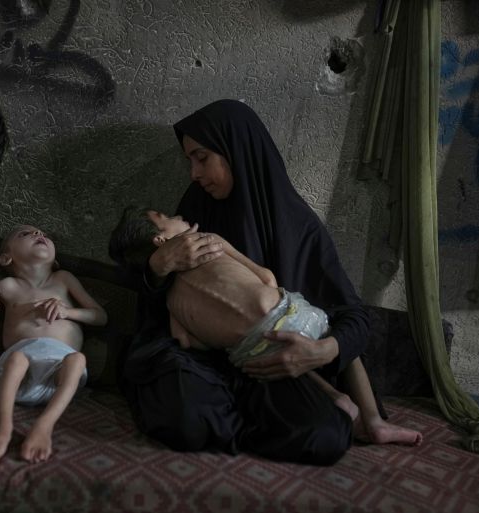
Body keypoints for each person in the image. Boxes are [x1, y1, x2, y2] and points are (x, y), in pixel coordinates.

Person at [114, 99, 415, 466]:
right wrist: (157, 267)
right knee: (186, 415)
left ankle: (236, 426)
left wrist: (325, 351)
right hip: (206, 359)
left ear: (236, 151)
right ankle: (237, 425)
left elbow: (351, 314)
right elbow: (152, 290)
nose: (193, 173)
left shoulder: (299, 227)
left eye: (202, 158)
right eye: (190, 161)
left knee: (325, 434)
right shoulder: (195, 209)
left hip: (270, 362)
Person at [110, 206, 423, 444]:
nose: (179, 214)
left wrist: (222, 335)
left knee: (286, 359)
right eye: (167, 217)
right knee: (338, 330)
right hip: (290, 314)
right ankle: (373, 418)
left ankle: (336, 398)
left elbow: (188, 341)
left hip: (250, 351)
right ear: (161, 240)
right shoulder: (212, 241)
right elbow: (267, 277)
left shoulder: (170, 301)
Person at [0, 225, 107, 463]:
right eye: (26, 234)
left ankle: (44, 426)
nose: (38, 234)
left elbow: (100, 316)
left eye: (44, 234)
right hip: (19, 378)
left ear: (55, 260)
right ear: (6, 257)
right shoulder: (8, 286)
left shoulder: (63, 279)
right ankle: (2, 426)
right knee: (16, 359)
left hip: (59, 377)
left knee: (78, 360)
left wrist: (68, 312)